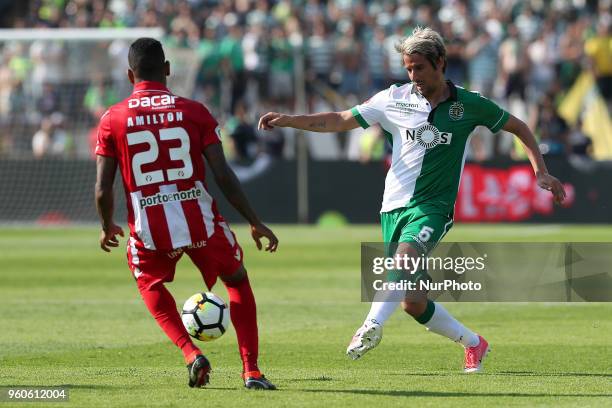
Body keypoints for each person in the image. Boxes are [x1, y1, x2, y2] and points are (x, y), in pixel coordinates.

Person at [258, 27, 565, 373]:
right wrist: (290, 121)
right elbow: (341, 119)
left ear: (441, 63)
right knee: (413, 303)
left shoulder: (469, 104)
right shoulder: (393, 98)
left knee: (404, 259)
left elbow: (519, 127)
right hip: (393, 206)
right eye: (408, 68)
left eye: (419, 67)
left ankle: (370, 326)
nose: (413, 75)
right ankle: (474, 344)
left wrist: (540, 170)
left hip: (434, 207)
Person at [95, 38, 278, 390]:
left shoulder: (113, 118)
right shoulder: (195, 111)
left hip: (149, 227)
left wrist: (106, 226)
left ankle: (190, 353)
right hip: (200, 221)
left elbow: (103, 188)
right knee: (237, 279)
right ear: (167, 69)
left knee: (149, 283)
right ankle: (251, 371)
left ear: (130, 74)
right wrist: (254, 220)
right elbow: (222, 174)